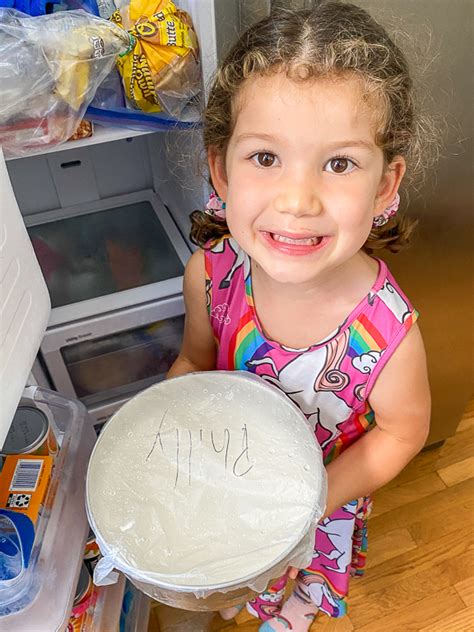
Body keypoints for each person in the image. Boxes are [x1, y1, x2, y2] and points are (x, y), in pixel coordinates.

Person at [167, 2, 436, 630]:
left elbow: (401, 434)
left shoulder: (390, 337)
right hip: (231, 474)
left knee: (298, 571)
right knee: (240, 563)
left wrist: (310, 502)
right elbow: (193, 361)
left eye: (339, 163)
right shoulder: (210, 276)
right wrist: (180, 434)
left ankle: (297, 606)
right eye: (265, 158)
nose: (297, 200)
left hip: (319, 501)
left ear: (385, 186)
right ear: (221, 171)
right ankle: (246, 588)